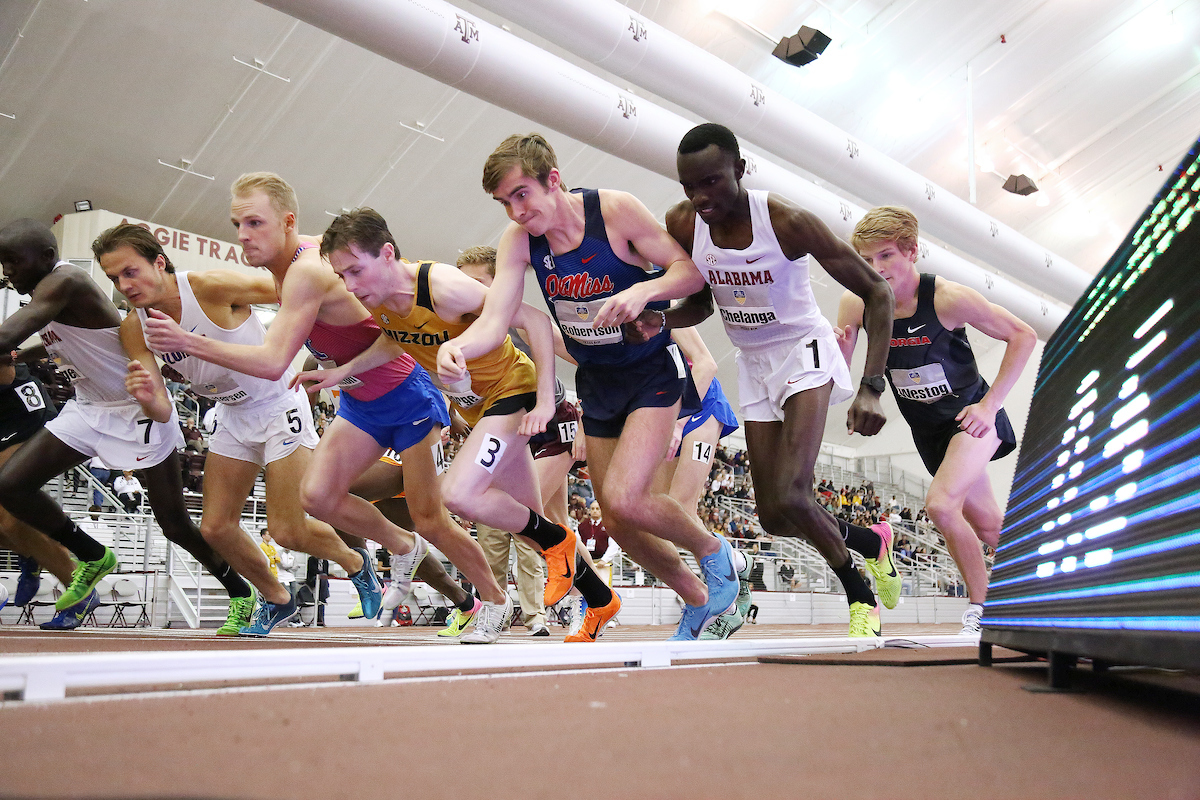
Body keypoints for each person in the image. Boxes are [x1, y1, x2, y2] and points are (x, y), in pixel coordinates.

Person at [141, 173, 510, 643]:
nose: (242, 235)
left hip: (408, 395)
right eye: (237, 223)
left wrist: (188, 341)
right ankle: (401, 546)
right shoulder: (298, 264)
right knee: (315, 497)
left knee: (431, 516)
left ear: (287, 222)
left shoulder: (309, 270)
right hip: (359, 403)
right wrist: (338, 371)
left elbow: (274, 362)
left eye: (254, 222)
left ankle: (493, 599)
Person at [441, 133, 741, 641]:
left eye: (521, 195)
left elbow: (689, 273)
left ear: (552, 181)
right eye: (503, 202)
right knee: (620, 521)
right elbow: (496, 320)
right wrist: (460, 349)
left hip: (650, 370)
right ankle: (697, 599)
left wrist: (645, 289)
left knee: (625, 498)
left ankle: (716, 553)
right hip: (597, 380)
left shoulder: (615, 211)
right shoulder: (519, 242)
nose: (515, 212)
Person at [300, 209, 620, 642]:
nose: (351, 286)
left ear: (388, 255)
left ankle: (541, 562)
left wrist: (548, 398)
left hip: (512, 391)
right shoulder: (382, 303)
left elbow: (535, 321)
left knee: (458, 494)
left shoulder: (442, 286)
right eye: (342, 276)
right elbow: (397, 337)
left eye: (356, 270)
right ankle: (601, 600)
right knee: (531, 527)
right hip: (476, 408)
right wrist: (342, 372)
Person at [657, 123, 900, 637]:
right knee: (772, 515)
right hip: (753, 361)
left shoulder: (786, 221)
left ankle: (859, 595)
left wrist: (872, 386)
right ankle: (870, 541)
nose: (701, 197)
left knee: (793, 493)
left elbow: (878, 291)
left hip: (803, 350)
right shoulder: (684, 222)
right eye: (689, 186)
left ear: (740, 171)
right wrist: (659, 320)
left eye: (712, 183)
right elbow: (702, 300)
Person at [97, 221, 385, 637]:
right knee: (215, 528)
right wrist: (146, 395)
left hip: (277, 402)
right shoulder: (133, 328)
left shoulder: (210, 287)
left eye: (130, 272)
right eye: (113, 279)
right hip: (230, 416)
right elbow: (162, 411)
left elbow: (292, 288)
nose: (124, 285)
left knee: (287, 531)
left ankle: (357, 563)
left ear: (159, 263)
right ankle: (276, 597)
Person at [0, 218, 254, 635]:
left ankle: (240, 592)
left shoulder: (67, 281)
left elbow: (9, 332)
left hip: (141, 407)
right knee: (10, 485)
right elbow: (56, 344)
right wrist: (22, 357)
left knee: (174, 524)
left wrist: (10, 347)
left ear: (46, 257)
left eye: (12, 261)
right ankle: (92, 555)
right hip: (89, 409)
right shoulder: (47, 295)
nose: (6, 271)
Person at [839, 205, 1036, 634]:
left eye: (886, 256)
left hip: (969, 418)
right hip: (926, 431)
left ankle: (981, 612)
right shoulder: (856, 302)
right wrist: (836, 347)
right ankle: (1053, 583)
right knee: (986, 522)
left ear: (912, 252)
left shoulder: (948, 298)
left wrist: (991, 406)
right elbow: (840, 374)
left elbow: (1023, 335)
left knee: (941, 505)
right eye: (867, 260)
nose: (877, 269)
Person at [0, 349, 84, 628]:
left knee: (10, 517)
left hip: (25, 416)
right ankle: (30, 553)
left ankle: (78, 591)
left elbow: (7, 370)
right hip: (5, 417)